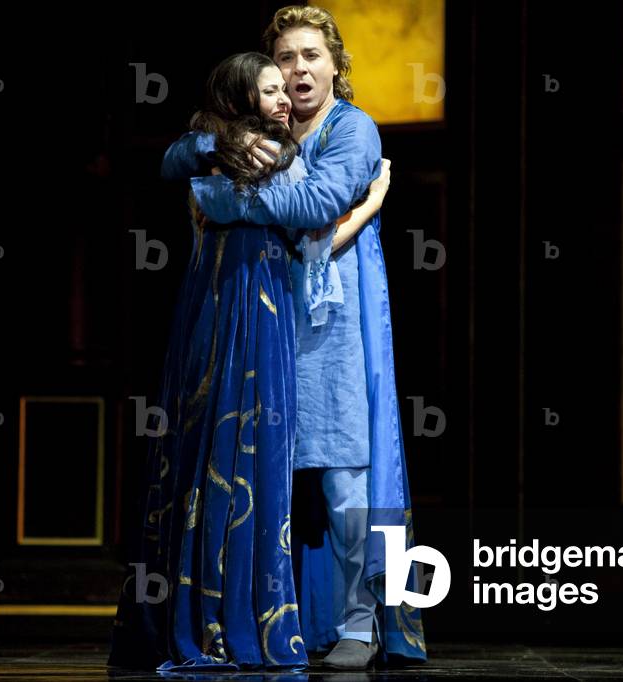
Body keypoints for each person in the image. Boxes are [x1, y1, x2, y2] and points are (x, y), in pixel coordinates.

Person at [163, 5, 427, 670]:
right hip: (268, 323)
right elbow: (178, 155)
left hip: (336, 329)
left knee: (345, 483)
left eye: (311, 55)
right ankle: (279, 619)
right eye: (285, 59)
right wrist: (215, 149)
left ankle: (362, 622)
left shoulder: (353, 129)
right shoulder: (257, 130)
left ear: (335, 65)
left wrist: (232, 197)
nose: (298, 69)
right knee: (270, 477)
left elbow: (315, 205)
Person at [107, 51, 388, 672]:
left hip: (244, 307)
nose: (286, 91)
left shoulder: (243, 150)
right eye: (271, 84)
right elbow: (306, 209)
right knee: (228, 454)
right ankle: (225, 619)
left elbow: (244, 196)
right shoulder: (244, 151)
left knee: (243, 459)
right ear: (242, 100)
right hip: (240, 311)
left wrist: (223, 161)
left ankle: (241, 614)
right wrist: (367, 206)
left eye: (293, 73)